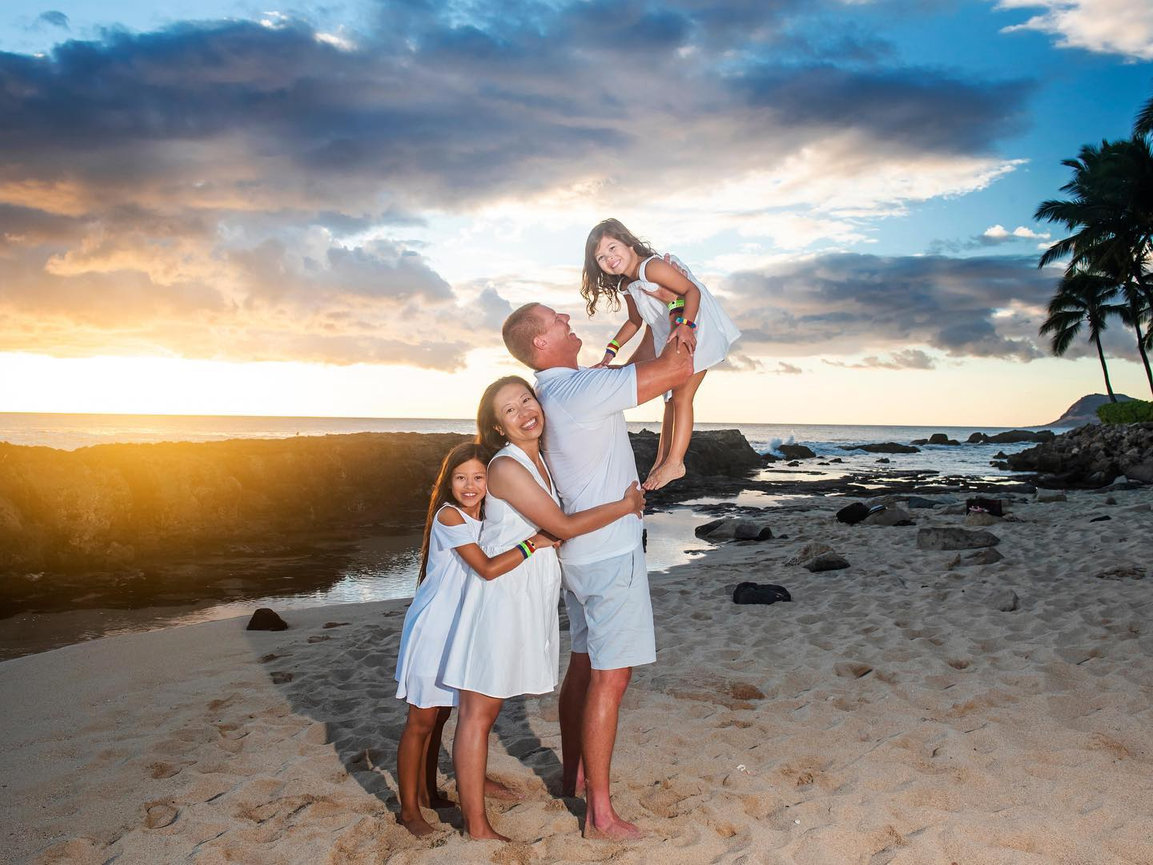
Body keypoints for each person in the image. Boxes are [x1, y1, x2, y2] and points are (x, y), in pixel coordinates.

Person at [501, 302, 693, 839]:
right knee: (612, 677)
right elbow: (676, 368)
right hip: (609, 554)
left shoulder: (562, 390)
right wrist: (685, 307)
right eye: (554, 318)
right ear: (540, 343)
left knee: (584, 665)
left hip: (580, 556)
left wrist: (652, 311)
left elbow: (648, 358)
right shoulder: (580, 390)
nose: (566, 315)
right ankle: (600, 813)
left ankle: (572, 777)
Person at [441, 376, 646, 841]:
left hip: (528, 598)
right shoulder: (507, 467)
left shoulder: (542, 460)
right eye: (509, 410)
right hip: (501, 599)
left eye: (526, 400)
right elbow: (563, 526)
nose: (524, 412)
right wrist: (626, 505)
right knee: (479, 709)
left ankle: (484, 811)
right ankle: (476, 827)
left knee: (485, 706)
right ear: (498, 425)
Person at [393, 442, 559, 836]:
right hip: (434, 627)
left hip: (463, 626)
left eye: (479, 477)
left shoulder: (486, 518)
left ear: (491, 479)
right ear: (448, 482)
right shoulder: (449, 517)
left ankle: (430, 792)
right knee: (421, 720)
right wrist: (536, 542)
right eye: (460, 477)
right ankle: (409, 810)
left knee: (445, 713)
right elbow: (486, 568)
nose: (470, 486)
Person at [581, 218, 740, 490]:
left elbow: (690, 291)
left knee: (681, 396)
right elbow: (634, 322)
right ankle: (661, 460)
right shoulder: (627, 284)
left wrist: (688, 327)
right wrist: (611, 352)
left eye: (612, 247)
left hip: (694, 326)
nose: (609, 257)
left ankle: (676, 462)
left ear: (628, 242)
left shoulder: (651, 267)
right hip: (671, 332)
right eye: (601, 256)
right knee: (668, 400)